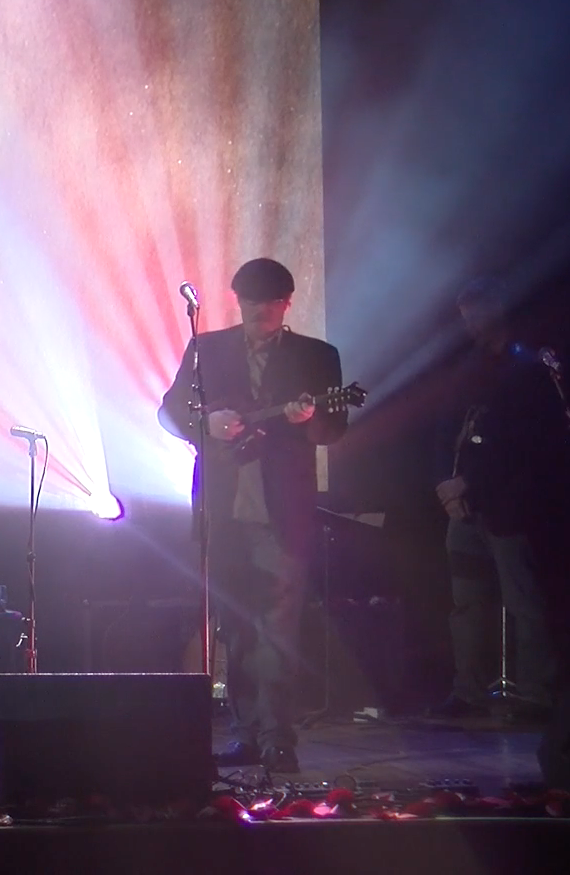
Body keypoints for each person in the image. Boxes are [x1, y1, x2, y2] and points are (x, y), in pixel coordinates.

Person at [158, 258, 348, 774]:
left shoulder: (316, 356)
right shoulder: (207, 349)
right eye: (249, 302)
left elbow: (333, 429)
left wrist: (310, 419)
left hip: (281, 514)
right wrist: (207, 423)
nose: (257, 311)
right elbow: (170, 411)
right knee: (236, 629)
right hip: (222, 513)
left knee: (278, 631)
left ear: (286, 304)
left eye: (268, 303)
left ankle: (277, 738)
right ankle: (246, 735)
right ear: (237, 301)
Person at [429, 279, 570, 722]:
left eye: (477, 312)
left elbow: (526, 444)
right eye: (465, 315)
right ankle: (468, 691)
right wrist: (444, 485)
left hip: (506, 507)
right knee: (466, 604)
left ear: (498, 308)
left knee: (523, 603)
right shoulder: (467, 367)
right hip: (463, 510)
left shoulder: (528, 367)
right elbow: (443, 429)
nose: (471, 323)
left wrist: (468, 483)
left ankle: (537, 694)